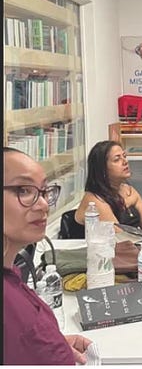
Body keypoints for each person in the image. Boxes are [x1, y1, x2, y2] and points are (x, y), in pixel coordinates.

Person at [3, 147, 93, 365]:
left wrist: (53, 343)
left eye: (44, 192)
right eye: (24, 190)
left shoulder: (11, 274)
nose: (43, 204)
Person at [79, 141, 142, 237]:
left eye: (124, 156)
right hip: (113, 244)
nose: (125, 162)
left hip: (132, 242)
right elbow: (121, 237)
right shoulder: (94, 200)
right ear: (102, 169)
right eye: (117, 159)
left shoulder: (128, 190)